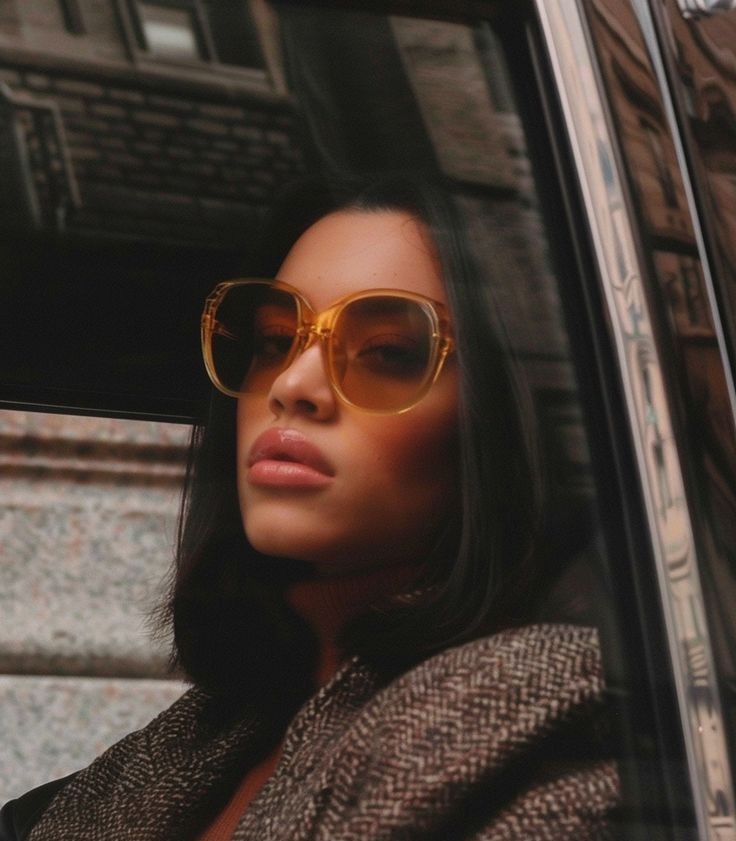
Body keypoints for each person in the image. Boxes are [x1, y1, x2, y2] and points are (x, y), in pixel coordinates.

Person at [0, 175, 619, 840]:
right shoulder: (154, 765)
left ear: (501, 426)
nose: (293, 385)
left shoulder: (562, 758)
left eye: (386, 352)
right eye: (274, 340)